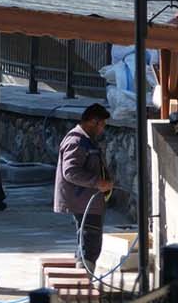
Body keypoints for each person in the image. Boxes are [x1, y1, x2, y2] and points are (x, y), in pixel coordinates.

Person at [54, 103, 114, 270]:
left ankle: (82, 278)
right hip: (84, 200)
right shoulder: (77, 141)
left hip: (88, 200)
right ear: (93, 122)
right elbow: (70, 171)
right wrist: (97, 182)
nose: (102, 130)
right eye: (102, 125)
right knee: (90, 242)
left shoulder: (86, 141)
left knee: (87, 239)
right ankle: (84, 283)